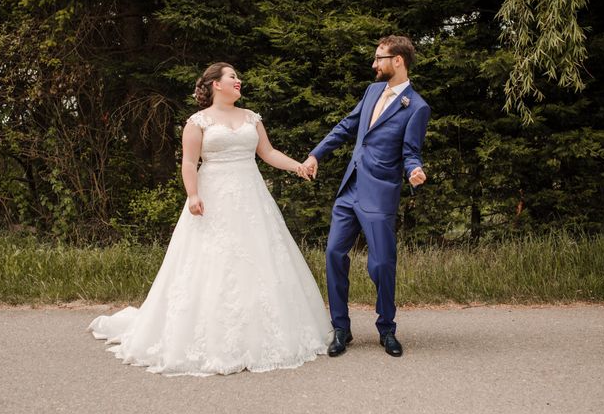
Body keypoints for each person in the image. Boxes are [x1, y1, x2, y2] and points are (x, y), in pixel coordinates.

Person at [88, 62, 331, 376]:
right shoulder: (197, 121)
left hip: (251, 199)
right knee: (211, 263)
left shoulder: (251, 117)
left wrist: (297, 166)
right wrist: (193, 194)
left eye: (237, 76)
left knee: (258, 261)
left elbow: (268, 153)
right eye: (232, 76)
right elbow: (189, 162)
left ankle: (261, 335)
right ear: (216, 84)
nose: (238, 80)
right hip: (213, 197)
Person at [303, 35, 430, 358]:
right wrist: (317, 154)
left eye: (379, 58)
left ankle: (387, 329)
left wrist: (414, 172)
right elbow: (347, 126)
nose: (374, 64)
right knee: (333, 253)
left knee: (382, 264)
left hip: (381, 193)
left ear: (397, 61)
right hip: (351, 188)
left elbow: (411, 151)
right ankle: (341, 328)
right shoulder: (372, 91)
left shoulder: (416, 107)